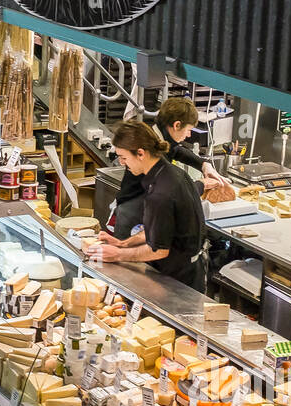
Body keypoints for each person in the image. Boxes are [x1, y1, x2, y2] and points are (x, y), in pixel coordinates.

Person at [85, 120, 208, 290]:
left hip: (178, 280)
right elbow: (160, 230)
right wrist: (123, 244)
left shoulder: (160, 193)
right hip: (183, 270)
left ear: (141, 153)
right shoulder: (170, 173)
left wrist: (117, 255)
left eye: (124, 157)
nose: (122, 163)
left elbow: (159, 250)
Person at [105, 97, 230, 241]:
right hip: (133, 217)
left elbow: (176, 150)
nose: (189, 135)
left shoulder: (154, 135)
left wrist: (204, 164)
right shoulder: (152, 154)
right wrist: (203, 184)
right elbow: (176, 194)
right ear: (177, 125)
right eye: (189, 129)